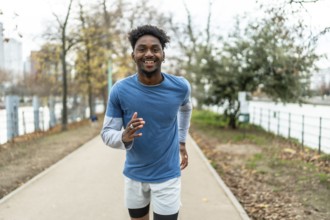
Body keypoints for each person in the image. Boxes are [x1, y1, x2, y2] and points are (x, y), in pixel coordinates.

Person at [101, 24, 192, 220]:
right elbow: (107, 133)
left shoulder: (180, 87)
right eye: (142, 48)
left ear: (163, 54)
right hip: (134, 176)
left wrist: (182, 140)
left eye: (155, 49)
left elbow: (186, 107)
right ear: (133, 55)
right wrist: (124, 136)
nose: (149, 54)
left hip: (168, 176)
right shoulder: (120, 90)